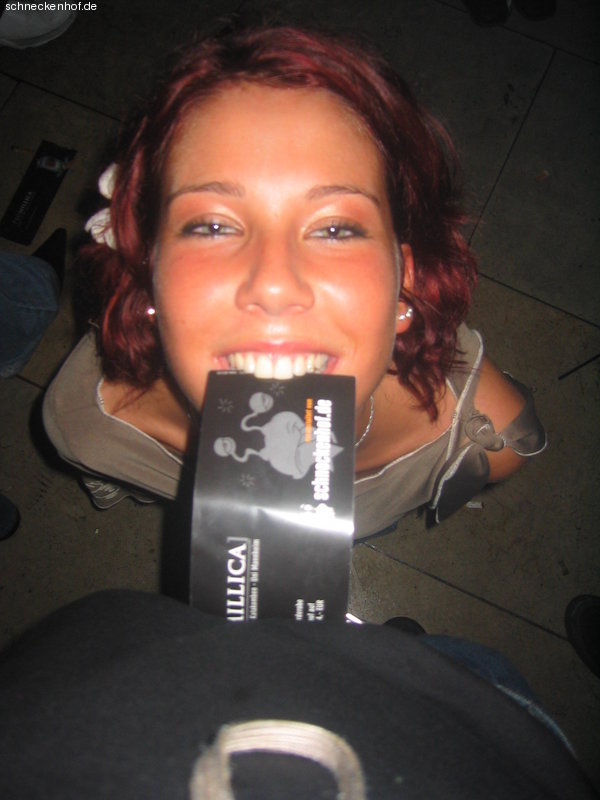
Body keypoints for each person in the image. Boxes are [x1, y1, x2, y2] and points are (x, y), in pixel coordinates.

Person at [42, 24, 546, 535]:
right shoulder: (93, 423)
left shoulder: (485, 436)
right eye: (212, 226)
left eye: (334, 229)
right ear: (148, 269)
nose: (274, 286)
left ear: (405, 280)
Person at [0, 589, 596, 799]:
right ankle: (410, 650)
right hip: (486, 733)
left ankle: (405, 649)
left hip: (96, 675)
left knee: (438, 663)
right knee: (464, 666)